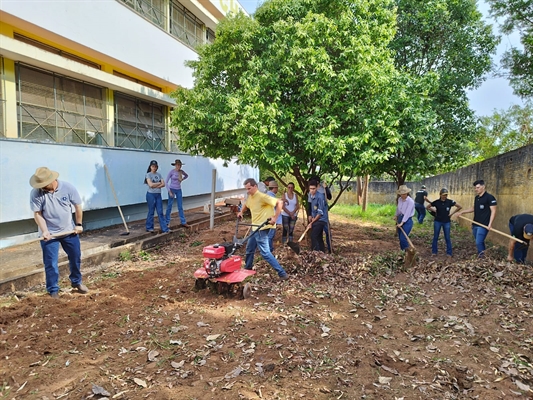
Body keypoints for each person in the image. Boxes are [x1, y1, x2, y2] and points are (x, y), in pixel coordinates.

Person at [29, 167, 88, 298]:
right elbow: (37, 214)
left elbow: (78, 206)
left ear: (52, 180)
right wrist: (45, 231)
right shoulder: (36, 193)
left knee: (75, 257)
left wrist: (78, 224)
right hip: (49, 234)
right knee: (51, 263)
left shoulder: (68, 188)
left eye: (44, 185)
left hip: (69, 231)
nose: (42, 188)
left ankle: (76, 282)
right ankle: (53, 289)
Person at [236, 178, 288, 280]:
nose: (248, 191)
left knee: (265, 252)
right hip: (255, 227)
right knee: (249, 248)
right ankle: (248, 268)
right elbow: (246, 204)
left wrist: (275, 218)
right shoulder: (251, 197)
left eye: (249, 188)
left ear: (255, 186)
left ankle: (282, 273)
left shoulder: (262, 196)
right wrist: (241, 212)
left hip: (262, 227)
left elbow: (280, 203)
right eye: (246, 189)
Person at [455, 180, 497, 258]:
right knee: (479, 242)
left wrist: (490, 224)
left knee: (478, 242)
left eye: (478, 187)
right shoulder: (477, 198)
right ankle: (484, 254)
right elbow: (474, 208)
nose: (476, 189)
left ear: (483, 187)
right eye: (475, 188)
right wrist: (462, 212)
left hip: (483, 225)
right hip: (475, 224)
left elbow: (493, 211)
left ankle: (482, 258)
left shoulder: (490, 197)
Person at [427, 188, 462, 257]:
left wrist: (452, 213)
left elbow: (459, 207)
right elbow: (428, 207)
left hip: (446, 222)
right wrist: (435, 211)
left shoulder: (449, 202)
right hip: (438, 221)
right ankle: (434, 252)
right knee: (436, 237)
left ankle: (449, 253)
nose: (444, 196)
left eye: (446, 195)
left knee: (447, 237)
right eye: (443, 195)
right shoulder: (436, 202)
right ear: (440, 195)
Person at [144, 160, 169, 234]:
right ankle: (149, 227)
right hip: (150, 195)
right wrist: (159, 184)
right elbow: (150, 185)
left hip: (158, 195)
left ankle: (165, 229)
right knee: (151, 211)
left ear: (157, 167)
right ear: (150, 167)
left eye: (155, 166)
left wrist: (155, 184)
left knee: (160, 212)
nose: (154, 168)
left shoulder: (159, 174)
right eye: (152, 166)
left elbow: (163, 184)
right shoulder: (148, 175)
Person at [165, 159, 190, 228]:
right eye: (178, 165)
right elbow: (166, 182)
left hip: (178, 189)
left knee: (180, 206)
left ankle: (183, 221)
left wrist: (182, 179)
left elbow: (186, 175)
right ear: (175, 165)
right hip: (172, 189)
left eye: (180, 165)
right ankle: (167, 222)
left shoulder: (181, 172)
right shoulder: (172, 172)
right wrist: (169, 191)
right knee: (169, 206)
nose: (179, 166)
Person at [308, 180, 329, 252]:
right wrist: (311, 216)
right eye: (310, 189)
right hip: (315, 218)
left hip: (321, 219)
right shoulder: (310, 195)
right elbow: (312, 207)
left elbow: (320, 213)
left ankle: (315, 253)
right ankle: (322, 252)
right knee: (319, 237)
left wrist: (311, 223)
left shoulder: (320, 197)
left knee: (313, 236)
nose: (312, 190)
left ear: (316, 188)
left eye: (313, 189)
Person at [394, 185, 415, 251]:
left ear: (407, 193)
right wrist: (396, 215)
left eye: (404, 194)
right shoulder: (400, 199)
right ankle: (403, 252)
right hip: (400, 218)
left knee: (403, 238)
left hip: (407, 220)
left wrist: (402, 223)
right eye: (402, 194)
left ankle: (408, 253)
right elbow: (398, 209)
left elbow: (407, 213)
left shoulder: (410, 201)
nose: (403, 195)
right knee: (400, 238)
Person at [266, 180, 282, 251]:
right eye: (277, 188)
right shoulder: (270, 196)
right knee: (270, 235)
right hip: (271, 218)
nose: (277, 189)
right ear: (274, 188)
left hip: (267, 217)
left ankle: (268, 248)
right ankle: (269, 249)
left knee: (268, 235)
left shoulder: (267, 195)